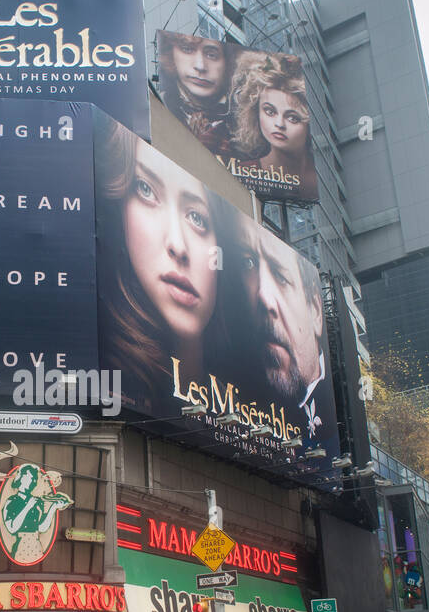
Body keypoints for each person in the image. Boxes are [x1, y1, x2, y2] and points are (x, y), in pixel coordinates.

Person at [95, 118, 236, 410]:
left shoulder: (237, 408)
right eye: (146, 190)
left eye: (197, 218)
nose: (178, 245)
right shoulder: (100, 371)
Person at [232, 218, 335, 449]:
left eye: (281, 276)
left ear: (316, 311)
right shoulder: (235, 398)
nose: (264, 297)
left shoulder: (331, 436)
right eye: (248, 263)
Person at [229, 51, 317, 196]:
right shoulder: (242, 174)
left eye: (292, 118)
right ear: (255, 112)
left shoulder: (321, 179)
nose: (279, 124)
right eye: (270, 111)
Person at [156, 30, 234, 157]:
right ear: (171, 54)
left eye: (211, 55)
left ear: (227, 62)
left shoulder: (248, 119)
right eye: (187, 49)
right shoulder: (158, 106)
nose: (200, 66)